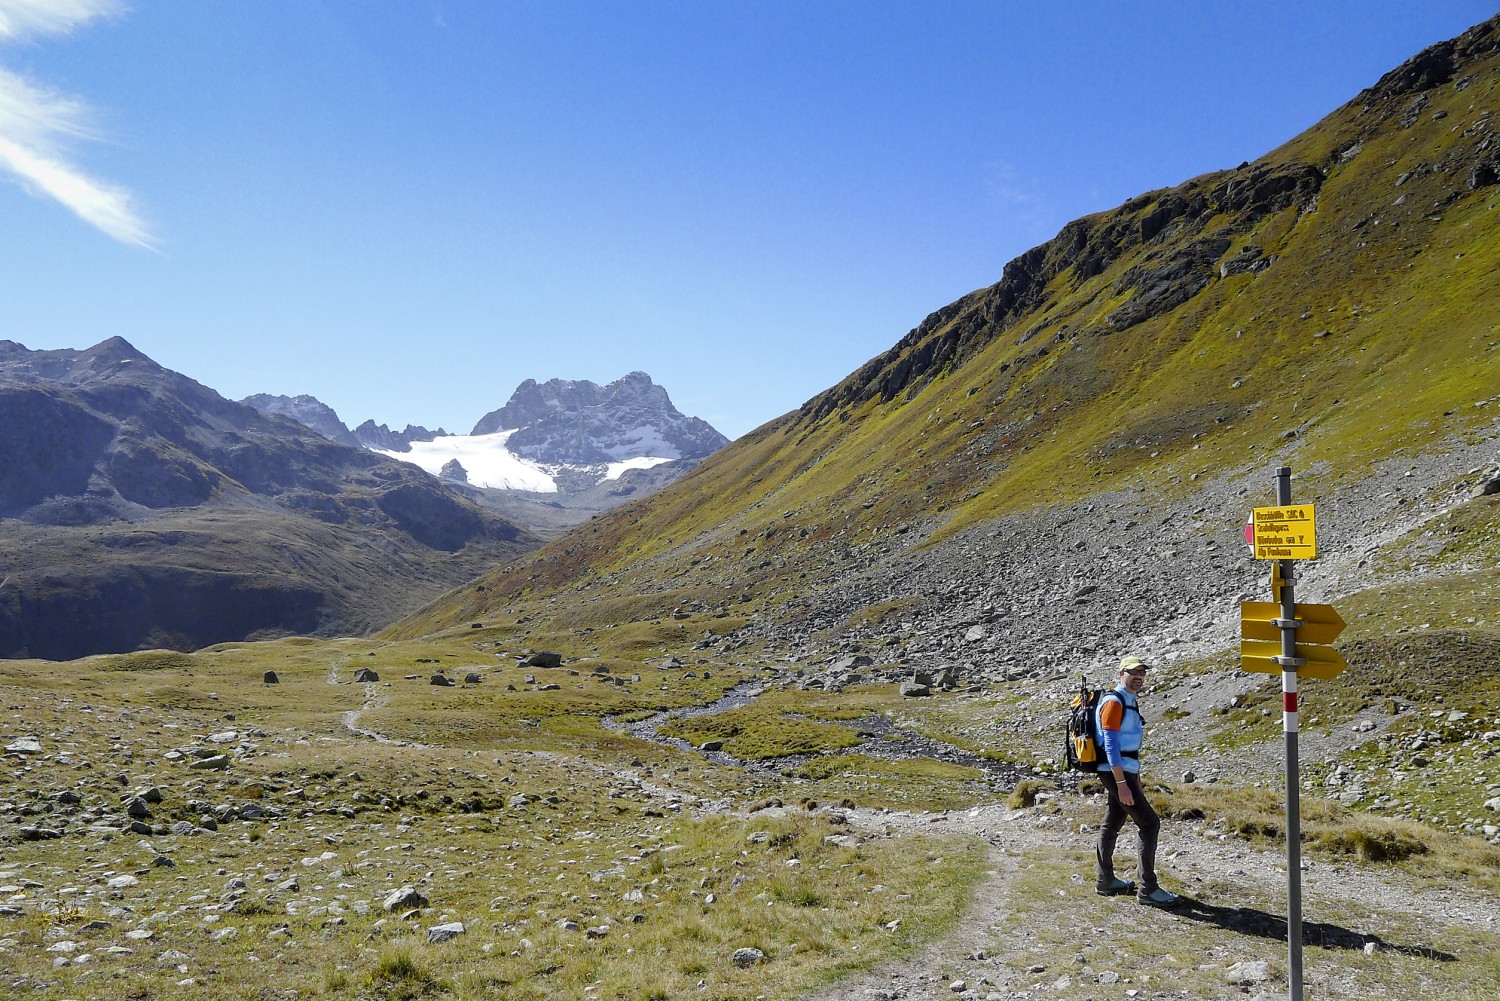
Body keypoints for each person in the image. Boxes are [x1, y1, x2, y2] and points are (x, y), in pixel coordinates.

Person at [1094, 654, 1179, 907]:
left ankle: (1105, 881)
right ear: (1121, 674)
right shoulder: (1115, 701)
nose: (1138, 677)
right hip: (1115, 771)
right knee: (1150, 823)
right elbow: (1110, 745)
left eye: (1142, 673)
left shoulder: (1128, 701)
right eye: (1133, 672)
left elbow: (1128, 746)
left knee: (1113, 820)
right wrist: (1122, 784)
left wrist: (1134, 779)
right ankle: (1148, 889)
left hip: (1123, 771)